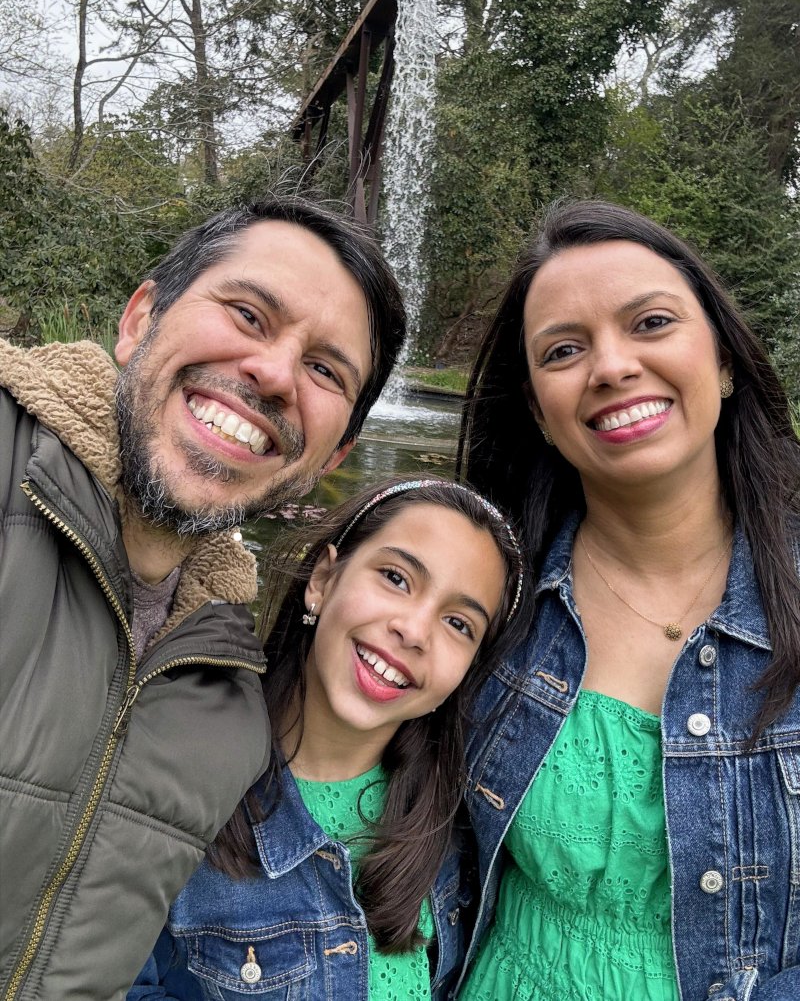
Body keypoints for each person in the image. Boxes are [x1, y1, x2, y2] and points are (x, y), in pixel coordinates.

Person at [0, 196, 406, 1000]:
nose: (275, 373)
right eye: (248, 313)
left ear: (336, 453)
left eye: (326, 370)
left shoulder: (228, 708)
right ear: (140, 317)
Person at [454, 200, 800, 1001]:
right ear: (540, 411)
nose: (611, 366)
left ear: (721, 360)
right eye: (565, 349)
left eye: (649, 322)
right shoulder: (485, 596)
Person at [127, 476, 528, 1001]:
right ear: (322, 579)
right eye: (396, 577)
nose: (414, 629)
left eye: (458, 623)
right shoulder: (170, 789)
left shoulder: (457, 828)